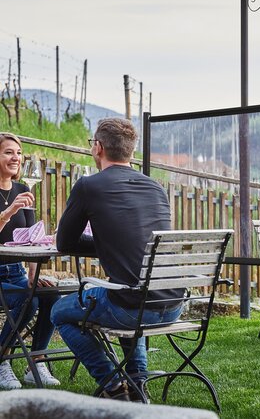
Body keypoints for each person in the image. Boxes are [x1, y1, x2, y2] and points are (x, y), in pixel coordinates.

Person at [51, 118, 184, 401]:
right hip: (173, 304)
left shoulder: (88, 186)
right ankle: (138, 384)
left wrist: (99, 242)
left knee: (59, 312)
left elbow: (64, 242)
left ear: (97, 148)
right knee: (128, 293)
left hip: (131, 307)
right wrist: (109, 244)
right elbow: (136, 243)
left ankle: (112, 385)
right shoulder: (155, 187)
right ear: (131, 153)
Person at [0, 133, 60, 390]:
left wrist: (34, 276)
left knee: (50, 295)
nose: (15, 157)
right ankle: (3, 358)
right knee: (29, 299)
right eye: (8, 152)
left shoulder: (23, 189)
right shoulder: (14, 199)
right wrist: (9, 212)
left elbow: (33, 239)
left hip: (16, 273)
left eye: (18, 152)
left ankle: (35, 360)